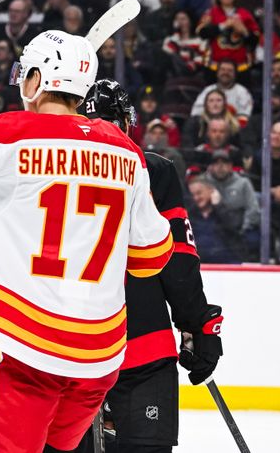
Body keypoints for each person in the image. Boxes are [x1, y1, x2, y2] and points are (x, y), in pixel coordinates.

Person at [0, 33, 173, 452]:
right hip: (97, 361)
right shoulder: (126, 152)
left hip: (27, 353)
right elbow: (151, 257)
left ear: (37, 79)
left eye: (25, 74)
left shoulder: (8, 134)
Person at [73, 79, 223, 453]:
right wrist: (197, 325)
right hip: (142, 347)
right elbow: (177, 259)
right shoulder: (152, 169)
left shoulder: (52, 168)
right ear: (127, 121)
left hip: (68, 350)